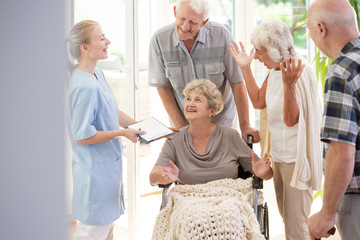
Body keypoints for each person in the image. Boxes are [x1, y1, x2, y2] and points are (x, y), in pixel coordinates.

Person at [229, 19, 322, 240]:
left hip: (296, 160)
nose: (258, 58)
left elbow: (292, 120)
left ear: (276, 51)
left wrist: (289, 86)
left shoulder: (299, 71)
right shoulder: (275, 70)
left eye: (261, 53)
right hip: (278, 157)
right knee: (287, 220)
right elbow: (259, 101)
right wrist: (245, 68)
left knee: (296, 226)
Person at [67, 20, 145, 239]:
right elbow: (82, 136)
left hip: (106, 170)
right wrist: (122, 133)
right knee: (92, 232)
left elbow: (111, 109)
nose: (107, 41)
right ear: (84, 47)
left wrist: (138, 126)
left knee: (106, 229)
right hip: (94, 174)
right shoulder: (83, 85)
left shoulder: (97, 74)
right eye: (101, 38)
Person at [148, 0, 259, 143]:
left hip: (221, 123)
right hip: (184, 124)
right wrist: (180, 126)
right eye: (181, 18)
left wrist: (245, 126)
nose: (185, 26)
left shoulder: (221, 36)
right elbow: (163, 87)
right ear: (175, 11)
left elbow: (237, 83)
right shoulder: (159, 40)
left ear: (204, 22)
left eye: (193, 22)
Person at [149, 78, 272, 187]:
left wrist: (263, 172)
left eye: (197, 100)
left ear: (212, 110)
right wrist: (165, 176)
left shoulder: (230, 136)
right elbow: (153, 178)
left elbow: (266, 173)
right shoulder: (175, 139)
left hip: (228, 200)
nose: (190, 104)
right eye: (188, 99)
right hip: (189, 202)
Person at [307, 0, 360, 239]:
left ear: (321, 28)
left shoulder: (342, 71)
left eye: (311, 34)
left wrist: (326, 214)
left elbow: (341, 152)